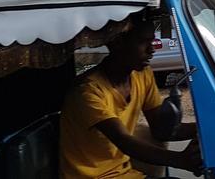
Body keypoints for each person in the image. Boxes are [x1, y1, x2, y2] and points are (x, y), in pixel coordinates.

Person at [60, 13, 201, 178]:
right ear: (118, 43)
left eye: (152, 40)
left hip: (125, 174)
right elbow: (123, 141)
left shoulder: (141, 74)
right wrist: (180, 160)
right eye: (143, 42)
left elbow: (160, 131)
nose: (152, 49)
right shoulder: (88, 92)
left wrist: (203, 130)